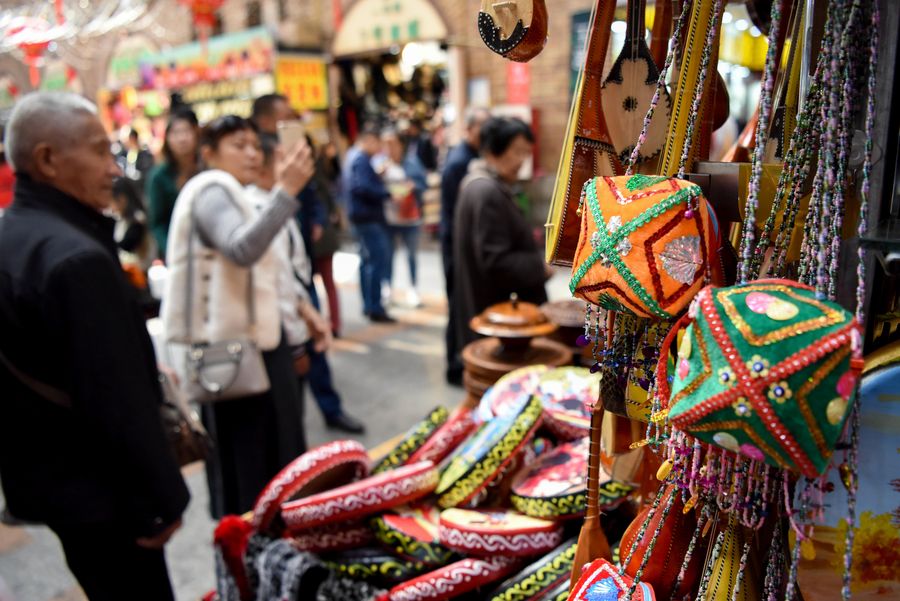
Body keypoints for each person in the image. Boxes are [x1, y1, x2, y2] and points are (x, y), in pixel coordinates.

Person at [0, 91, 189, 600]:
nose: (113, 168)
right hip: (108, 496)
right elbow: (117, 399)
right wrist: (161, 500)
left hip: (58, 486)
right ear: (47, 159)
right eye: (99, 151)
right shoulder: (75, 259)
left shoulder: (14, 235)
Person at [160, 115, 314, 518]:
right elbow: (242, 249)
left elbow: (269, 269)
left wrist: (302, 310)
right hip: (236, 355)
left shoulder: (234, 193)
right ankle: (257, 538)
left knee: (269, 454)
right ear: (208, 153)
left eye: (254, 145)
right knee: (255, 462)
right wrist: (287, 191)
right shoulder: (212, 189)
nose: (252, 154)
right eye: (238, 146)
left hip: (252, 348)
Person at [252, 96, 364, 433]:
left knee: (313, 343)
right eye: (284, 115)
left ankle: (329, 409)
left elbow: (312, 191)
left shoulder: (295, 151)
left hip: (298, 268)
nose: (291, 120)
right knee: (290, 364)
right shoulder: (256, 177)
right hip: (276, 284)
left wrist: (315, 219)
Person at [452, 117, 550, 354]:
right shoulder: (486, 192)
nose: (521, 160)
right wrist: (539, 267)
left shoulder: (482, 185)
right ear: (494, 149)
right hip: (498, 320)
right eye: (517, 151)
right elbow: (496, 260)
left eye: (526, 153)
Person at [441, 107, 490, 385]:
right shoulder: (459, 162)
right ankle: (454, 365)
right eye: (482, 126)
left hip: (460, 243)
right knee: (457, 304)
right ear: (469, 130)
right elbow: (455, 214)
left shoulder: (472, 155)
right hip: (454, 245)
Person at [344, 125, 395, 323]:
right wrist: (386, 193)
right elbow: (363, 187)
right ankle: (375, 306)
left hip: (361, 217)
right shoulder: (361, 158)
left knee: (367, 261)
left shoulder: (353, 156)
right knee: (375, 261)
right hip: (367, 217)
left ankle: (369, 305)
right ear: (368, 140)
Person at [378, 128, 427, 308]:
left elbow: (423, 184)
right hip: (389, 218)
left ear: (400, 145)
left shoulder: (412, 163)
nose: (389, 148)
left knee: (411, 255)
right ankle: (387, 288)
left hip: (410, 218)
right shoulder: (381, 164)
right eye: (386, 144)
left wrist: (411, 187)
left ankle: (413, 288)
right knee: (387, 255)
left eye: (392, 144)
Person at [145, 108, 199, 261]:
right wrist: (172, 251)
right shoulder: (159, 177)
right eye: (175, 133)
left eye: (186, 131)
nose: (182, 139)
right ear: (167, 139)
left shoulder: (206, 169)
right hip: (177, 252)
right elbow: (157, 223)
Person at [312, 140, 344, 337]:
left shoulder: (313, 177)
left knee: (322, 282)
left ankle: (330, 324)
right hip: (324, 238)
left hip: (319, 240)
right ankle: (333, 324)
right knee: (327, 282)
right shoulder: (320, 174)